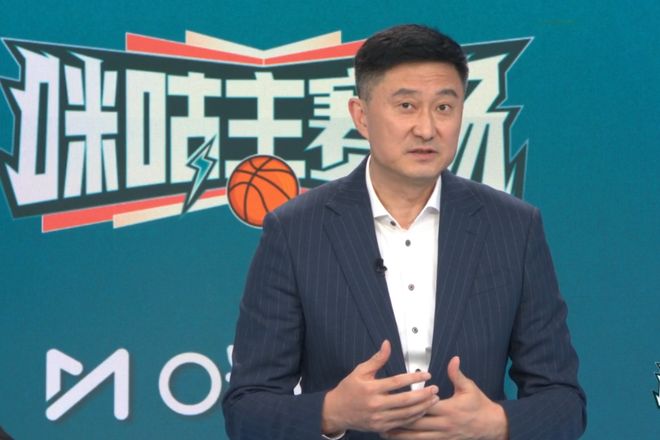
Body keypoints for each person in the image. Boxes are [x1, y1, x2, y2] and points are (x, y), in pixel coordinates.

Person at [222, 24, 586, 439]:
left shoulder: (514, 228)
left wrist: (495, 424)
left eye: (444, 107)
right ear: (361, 115)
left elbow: (564, 402)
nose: (427, 129)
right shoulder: (295, 231)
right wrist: (333, 412)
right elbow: (246, 409)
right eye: (406, 106)